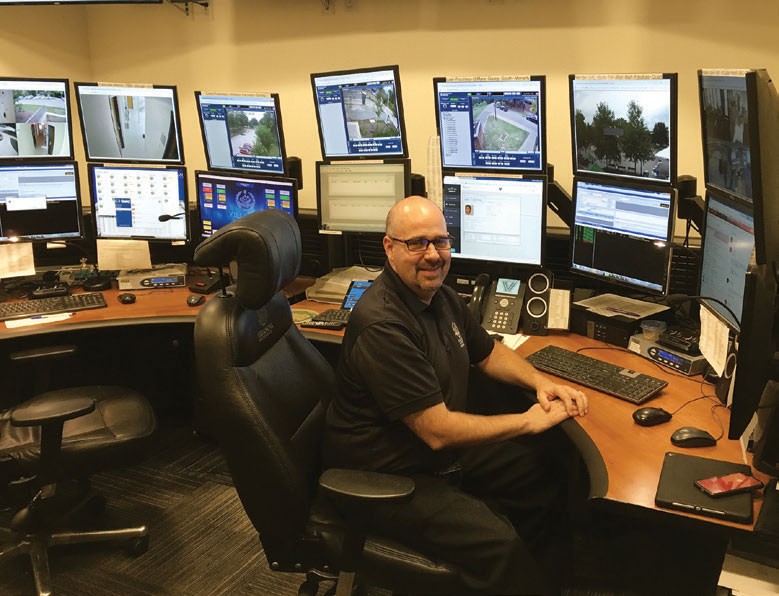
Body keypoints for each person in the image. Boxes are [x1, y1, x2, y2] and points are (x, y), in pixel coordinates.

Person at [323, 196, 589, 595]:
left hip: (429, 454)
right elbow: (438, 431)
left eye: (441, 242)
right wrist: (528, 421)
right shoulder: (384, 325)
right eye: (417, 243)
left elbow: (487, 352)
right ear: (389, 248)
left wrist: (538, 382)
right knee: (500, 545)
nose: (432, 255)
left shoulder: (438, 295)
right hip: (388, 475)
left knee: (544, 476)